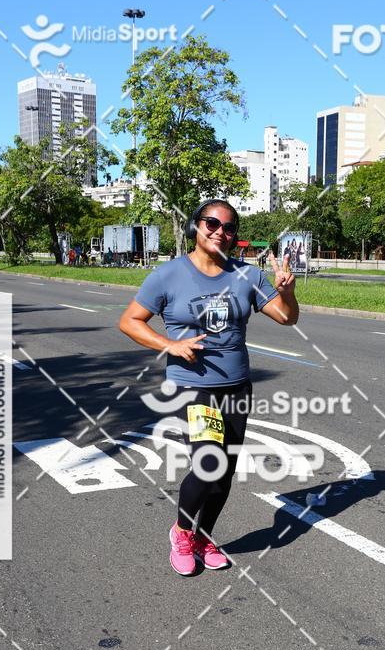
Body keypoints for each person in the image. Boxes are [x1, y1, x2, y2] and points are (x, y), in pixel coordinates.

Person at [119, 199, 298, 576]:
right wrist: (169, 344)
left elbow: (286, 318)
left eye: (229, 227)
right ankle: (182, 531)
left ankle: (203, 536)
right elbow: (131, 321)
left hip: (236, 386)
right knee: (208, 463)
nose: (220, 231)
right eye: (211, 223)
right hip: (192, 386)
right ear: (195, 226)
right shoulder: (168, 275)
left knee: (226, 470)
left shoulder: (248, 275)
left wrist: (288, 292)